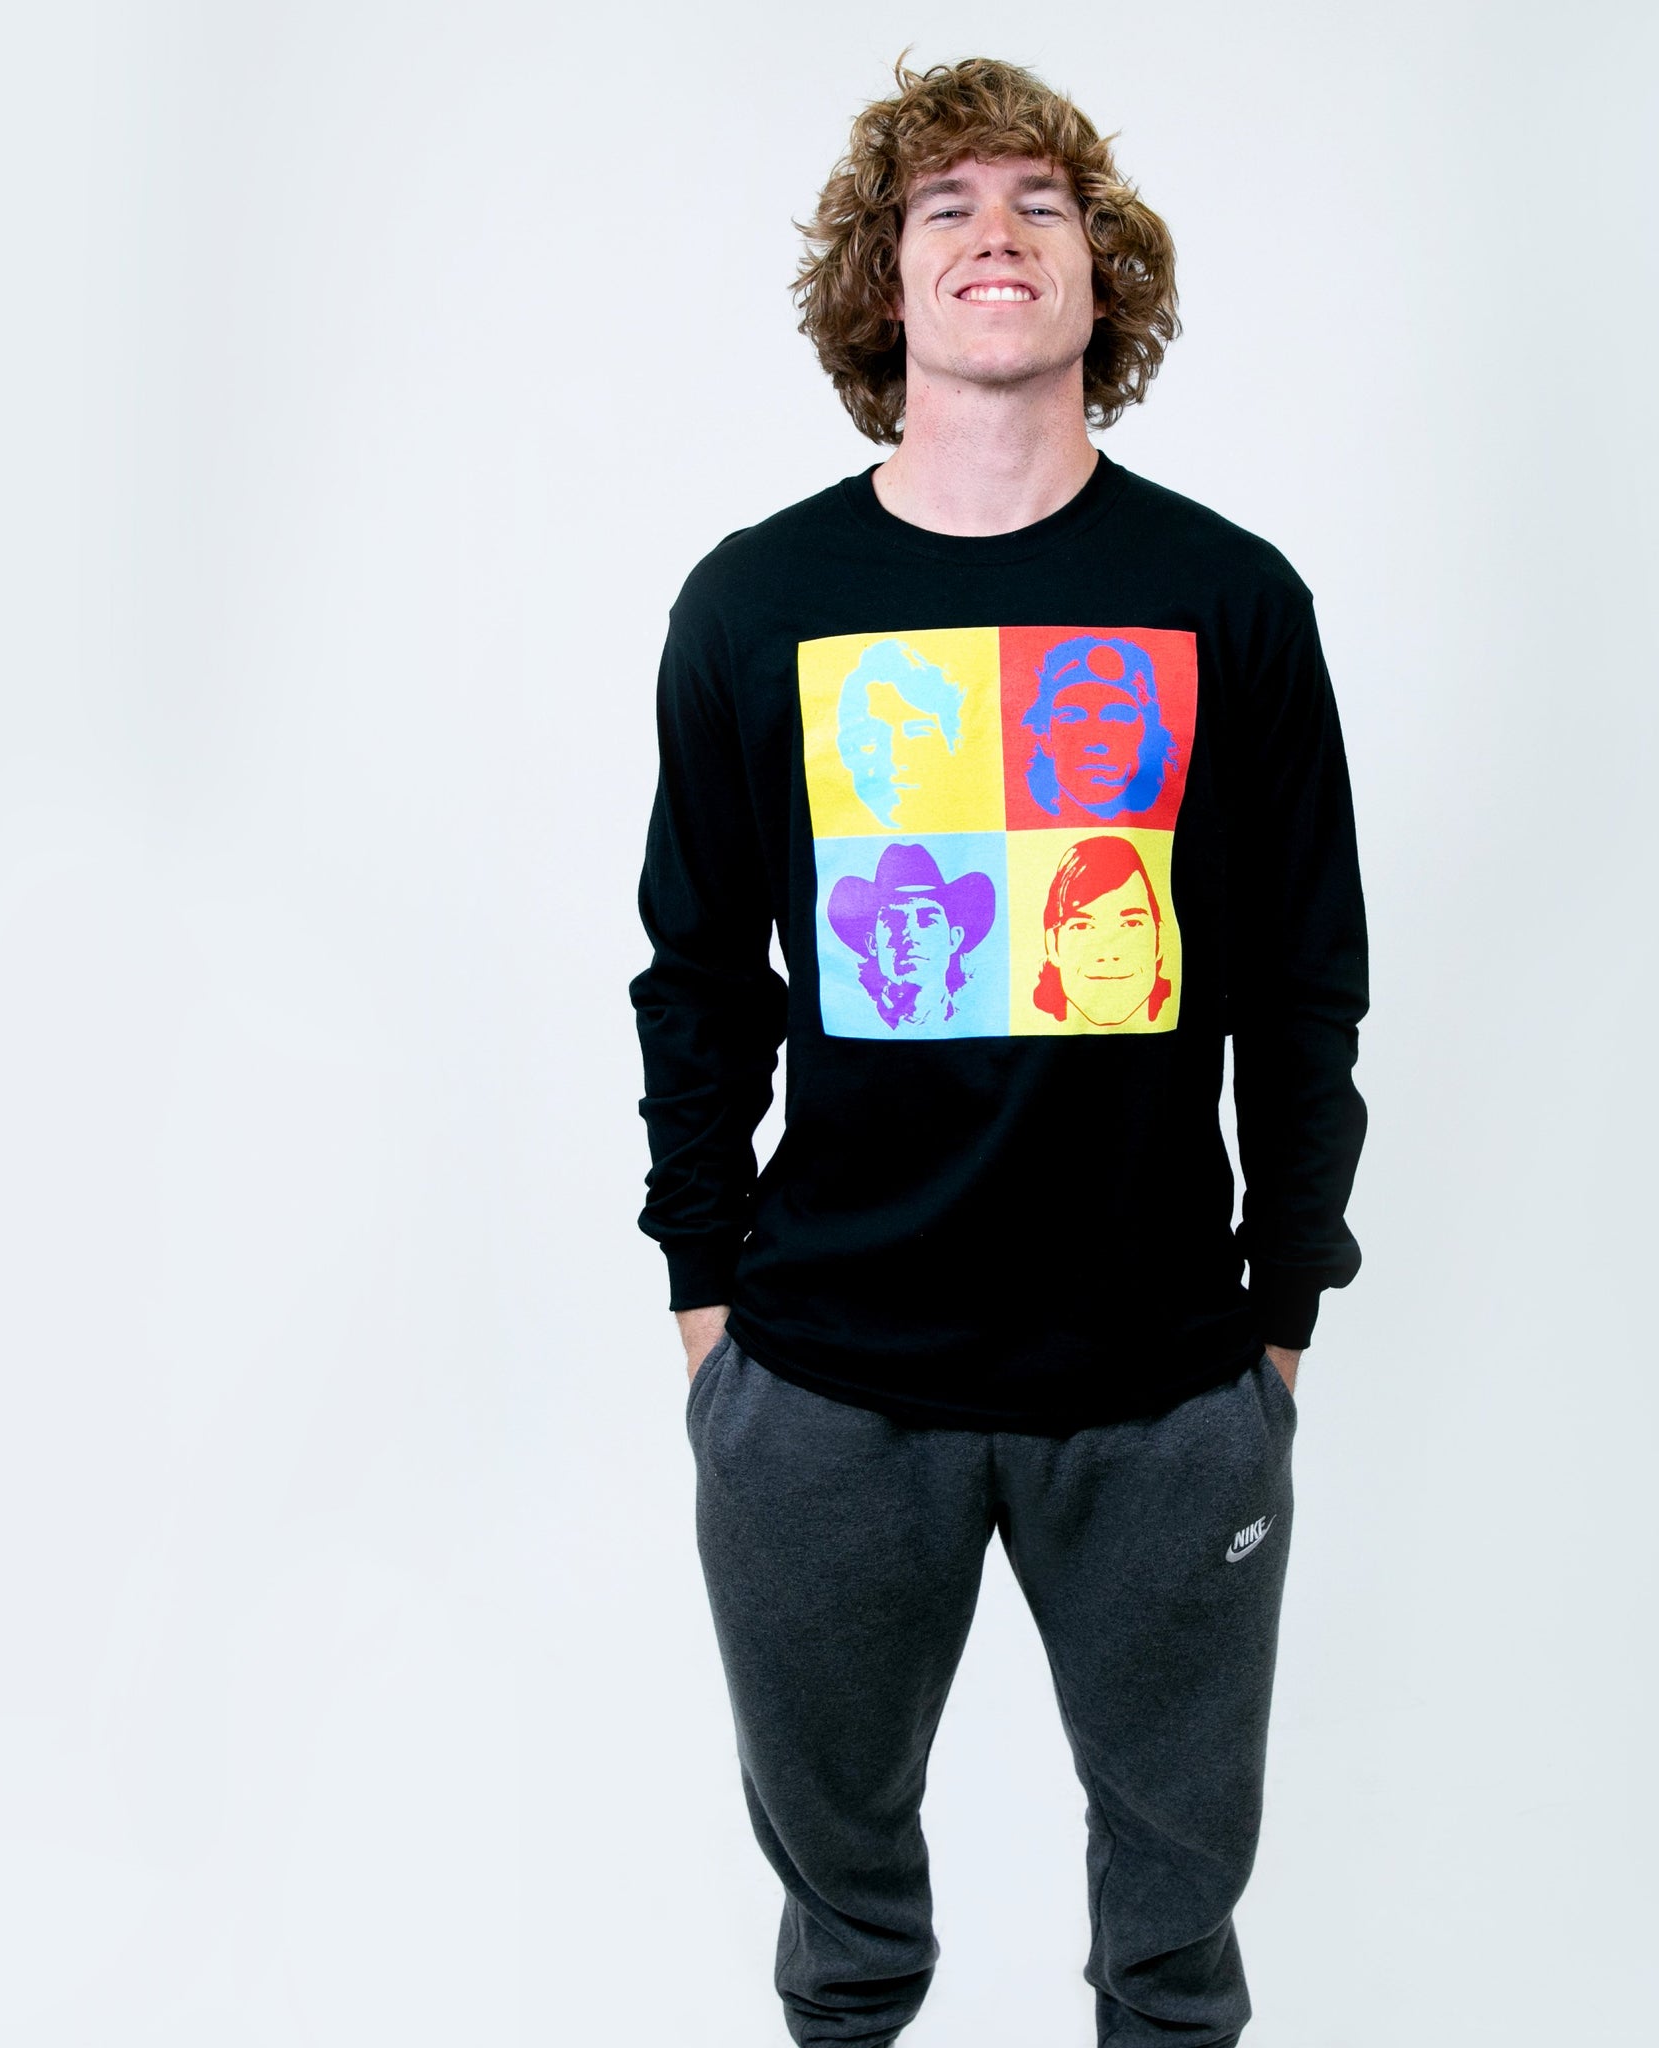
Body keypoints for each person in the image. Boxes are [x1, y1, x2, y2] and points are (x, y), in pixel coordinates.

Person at [628, 53, 1369, 2047]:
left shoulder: (1227, 601)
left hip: (1163, 1390)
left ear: (1103, 275)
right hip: (823, 1385)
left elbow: (1306, 981)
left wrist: (1279, 1324)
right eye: (941, 204)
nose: (995, 232)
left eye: (1043, 201)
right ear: (879, 286)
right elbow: (697, 975)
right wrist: (707, 1309)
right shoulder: (759, 605)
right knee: (845, 1951)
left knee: (1174, 1961)